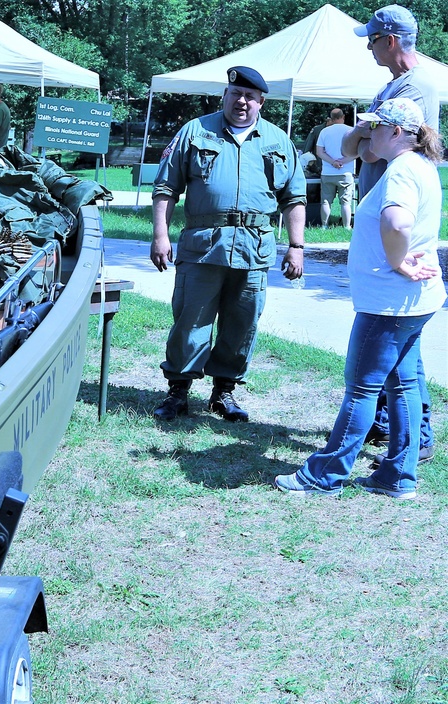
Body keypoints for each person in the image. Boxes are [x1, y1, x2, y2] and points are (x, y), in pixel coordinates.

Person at [275, 98, 445, 498]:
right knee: (401, 387)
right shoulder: (420, 165)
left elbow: (397, 220)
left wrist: (399, 261)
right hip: (410, 302)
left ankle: (325, 475)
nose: (369, 132)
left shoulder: (403, 169)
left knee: (362, 389)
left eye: (377, 127)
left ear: (398, 133)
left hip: (389, 303)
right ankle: (397, 476)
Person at [149, 66, 307, 423]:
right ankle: (178, 391)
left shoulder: (278, 141)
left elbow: (294, 197)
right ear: (224, 95)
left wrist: (296, 246)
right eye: (236, 94)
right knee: (191, 321)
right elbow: (165, 189)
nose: (242, 101)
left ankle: (224, 393)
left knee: (242, 323)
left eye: (250, 96)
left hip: (254, 249)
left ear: (261, 102)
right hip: (203, 246)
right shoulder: (195, 131)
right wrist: (160, 234)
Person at [341, 4, 439, 465]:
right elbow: (355, 148)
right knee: (400, 352)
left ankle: (411, 438)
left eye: (373, 39)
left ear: (392, 40)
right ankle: (399, 438)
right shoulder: (394, 87)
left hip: (392, 230)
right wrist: (361, 141)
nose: (368, 47)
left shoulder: (413, 90)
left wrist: (365, 139)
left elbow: (373, 150)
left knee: (395, 349)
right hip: (385, 221)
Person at [315, 108, 353, 228]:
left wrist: (333, 162)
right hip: (345, 172)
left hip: (327, 173)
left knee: (326, 201)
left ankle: (324, 226)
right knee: (346, 203)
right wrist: (343, 161)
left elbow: (319, 152)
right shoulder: (351, 131)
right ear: (343, 117)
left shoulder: (324, 132)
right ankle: (347, 227)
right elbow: (357, 152)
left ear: (331, 119)